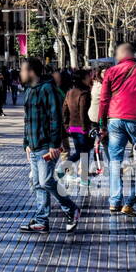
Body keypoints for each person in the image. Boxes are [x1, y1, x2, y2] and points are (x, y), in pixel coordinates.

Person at [97, 42, 136, 215]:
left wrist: (102, 124)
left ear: (122, 53)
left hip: (115, 119)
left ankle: (115, 201)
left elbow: (104, 100)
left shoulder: (111, 72)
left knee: (115, 161)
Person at [19, 57, 81, 233]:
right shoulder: (29, 90)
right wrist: (26, 143)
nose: (20, 73)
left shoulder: (47, 89)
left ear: (31, 71)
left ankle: (71, 209)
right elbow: (27, 119)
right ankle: (41, 220)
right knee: (38, 184)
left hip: (47, 144)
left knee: (46, 181)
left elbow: (56, 118)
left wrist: (55, 144)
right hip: (34, 145)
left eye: (22, 70)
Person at [60, 68, 93, 190]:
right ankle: (67, 169)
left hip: (72, 128)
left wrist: (66, 125)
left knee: (82, 152)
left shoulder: (70, 92)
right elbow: (83, 111)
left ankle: (83, 178)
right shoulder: (84, 93)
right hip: (82, 127)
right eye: (88, 76)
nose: (90, 78)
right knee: (83, 153)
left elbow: (64, 110)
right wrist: (85, 128)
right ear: (83, 79)